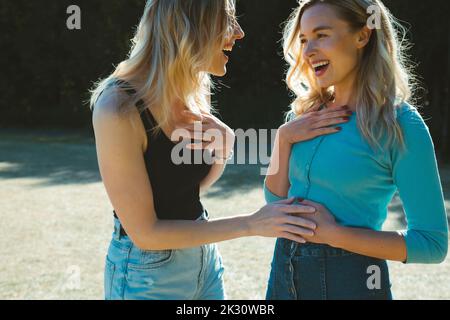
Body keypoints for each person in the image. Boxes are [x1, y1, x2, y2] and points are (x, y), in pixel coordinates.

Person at [90, 0, 328, 300]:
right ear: (189, 25)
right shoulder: (117, 107)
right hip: (148, 272)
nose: (239, 32)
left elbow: (188, 187)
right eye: (227, 18)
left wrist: (224, 147)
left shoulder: (191, 86)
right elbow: (146, 233)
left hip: (204, 261)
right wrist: (252, 223)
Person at [264, 0, 448, 300]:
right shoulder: (303, 116)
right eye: (304, 40)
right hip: (284, 273)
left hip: (354, 281)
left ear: (362, 36)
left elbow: (431, 243)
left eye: (321, 35)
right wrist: (283, 140)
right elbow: (276, 202)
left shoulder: (399, 124)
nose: (308, 51)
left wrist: (333, 234)